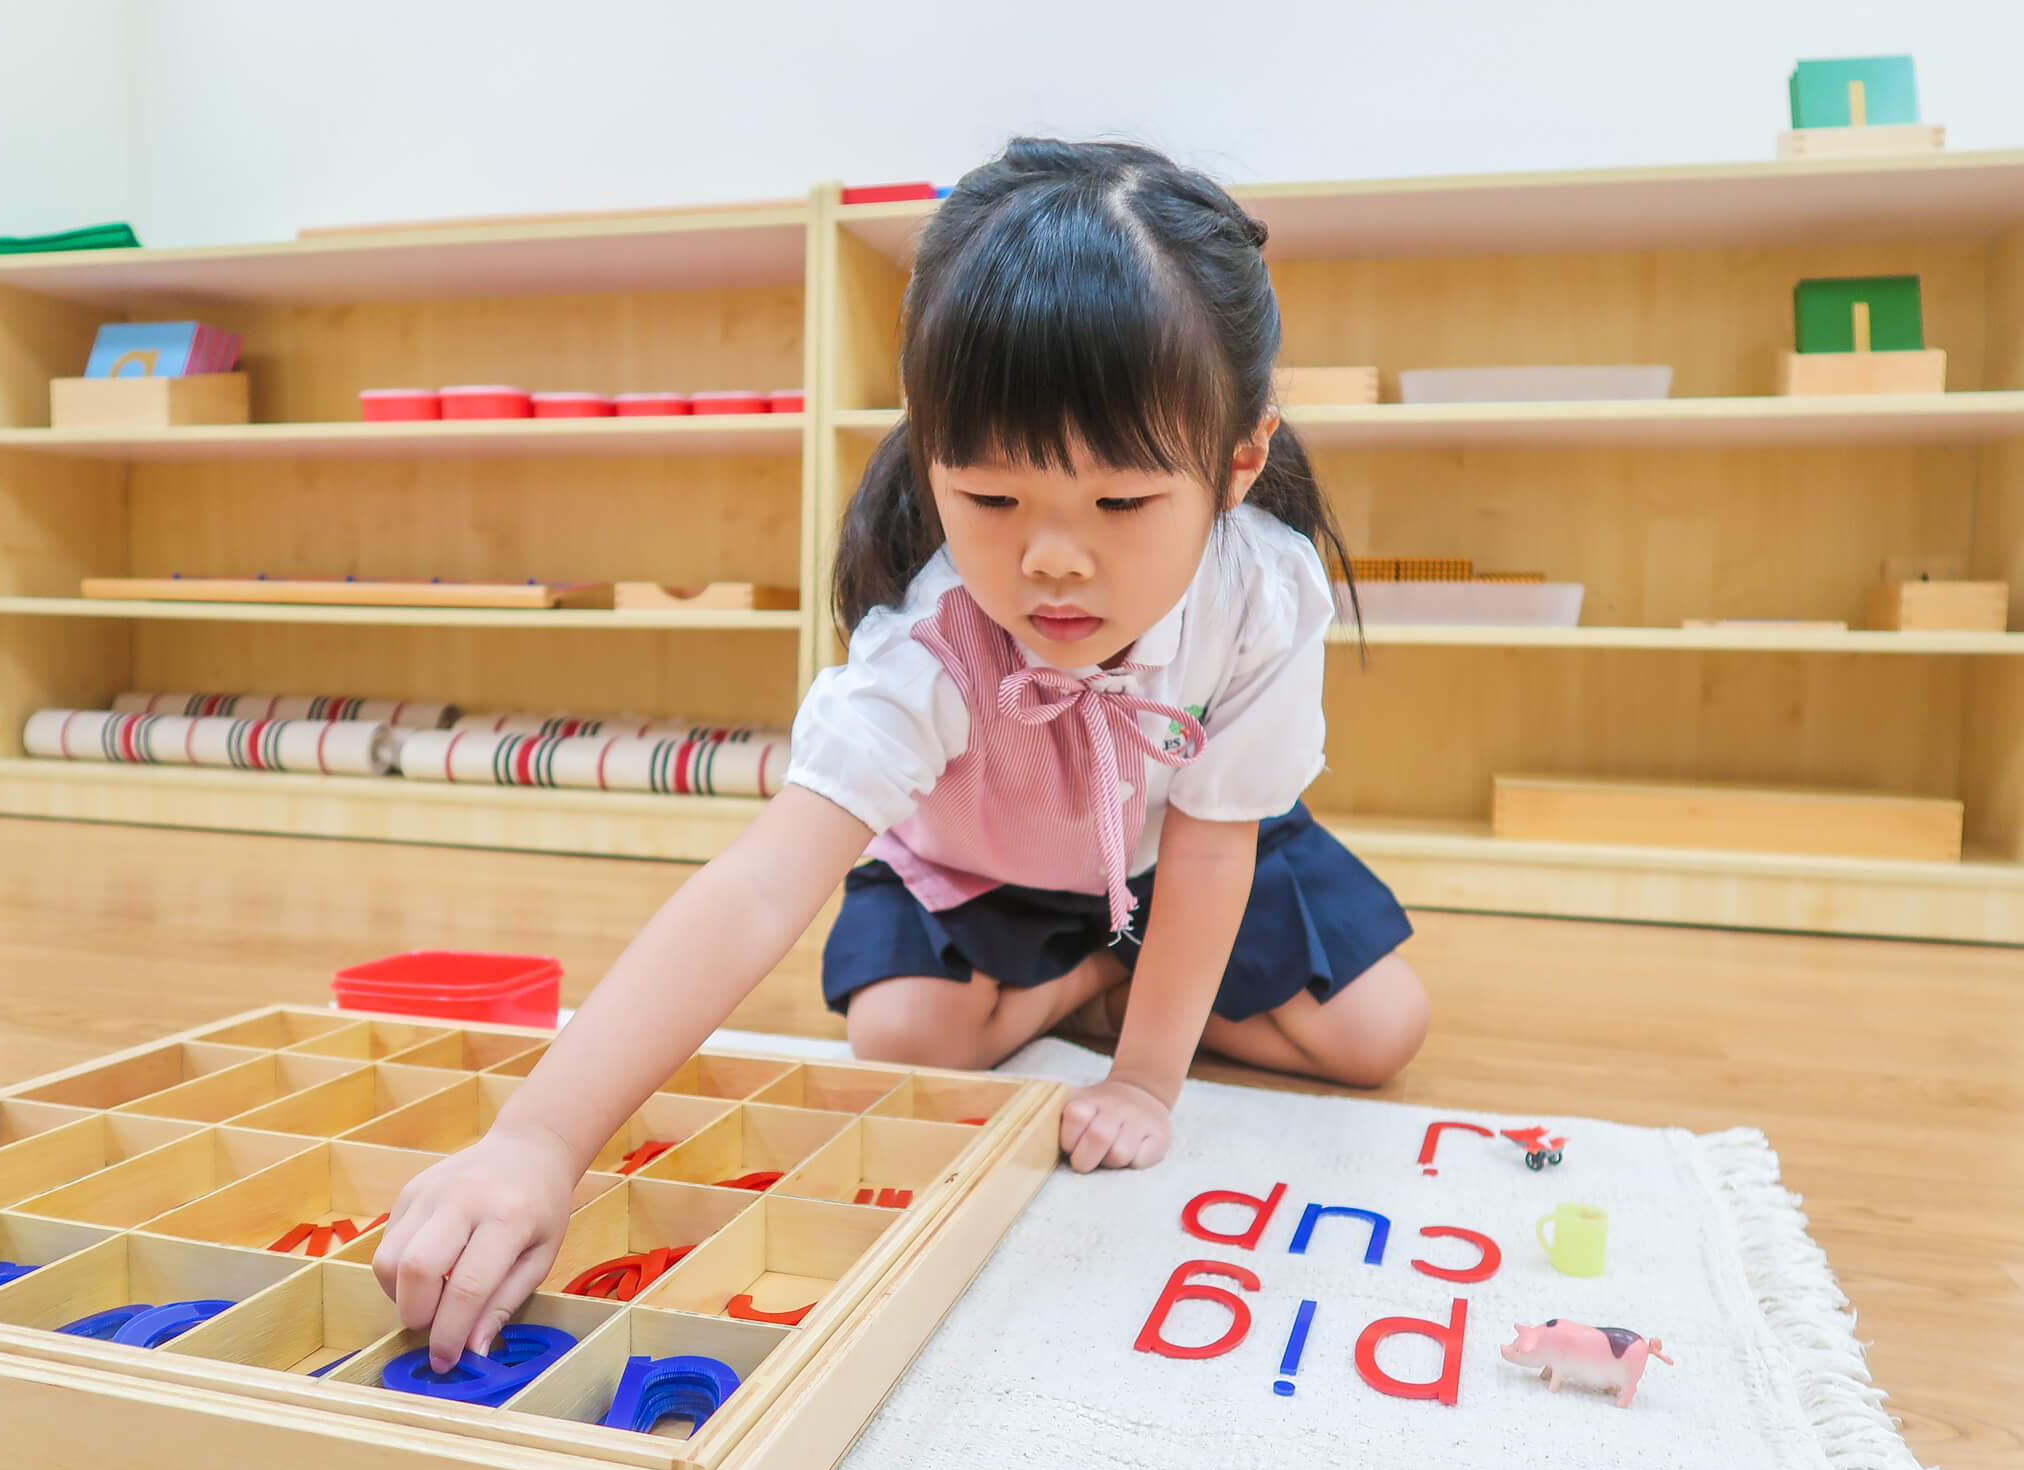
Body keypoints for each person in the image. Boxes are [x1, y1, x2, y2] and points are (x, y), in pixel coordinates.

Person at [374, 136, 1428, 1370]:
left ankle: (1110, 992)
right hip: (978, 867)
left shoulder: (1263, 589)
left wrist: (1143, 1084)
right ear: (929, 455)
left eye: (1120, 506)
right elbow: (764, 878)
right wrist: (537, 1139)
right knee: (898, 1039)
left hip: (1174, 849)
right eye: (991, 500)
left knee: (1379, 1032)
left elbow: (1210, 848)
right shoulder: (925, 643)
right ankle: (1087, 976)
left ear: (1238, 460)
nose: (1051, 561)